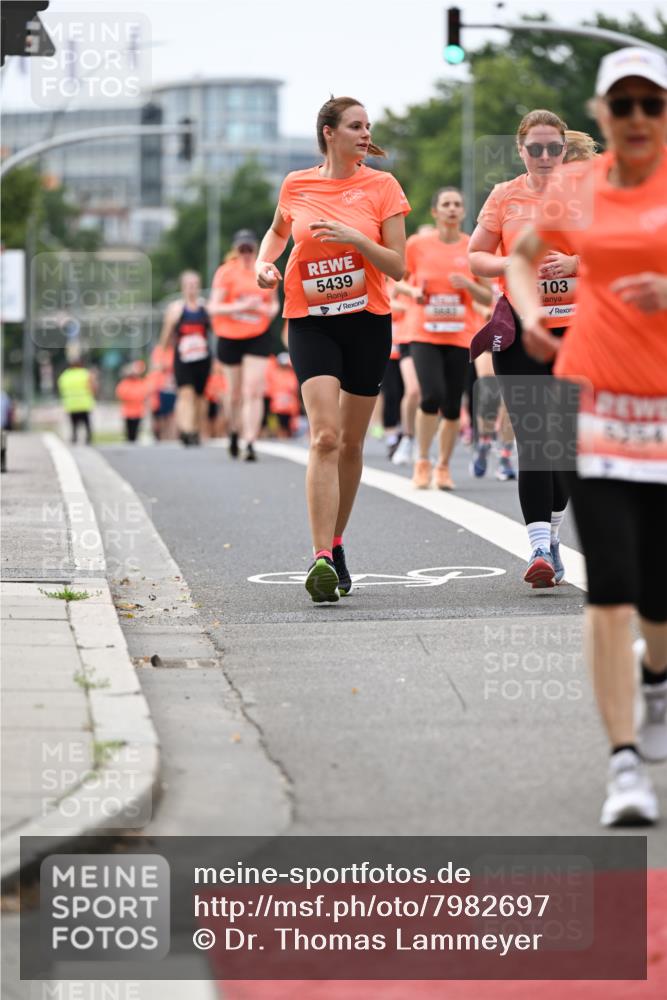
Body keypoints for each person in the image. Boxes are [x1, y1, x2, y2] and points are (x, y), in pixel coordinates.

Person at [506, 48, 667, 825]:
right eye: (623, 104)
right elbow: (522, 257)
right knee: (608, 589)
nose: (637, 117)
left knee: (657, 594)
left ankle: (658, 682)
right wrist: (531, 315)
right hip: (595, 400)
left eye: (652, 104)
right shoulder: (578, 188)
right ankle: (623, 762)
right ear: (601, 115)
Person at [255, 95, 410, 603]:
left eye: (368, 127)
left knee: (350, 444)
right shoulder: (297, 184)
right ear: (329, 133)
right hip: (311, 322)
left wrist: (355, 239)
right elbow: (277, 233)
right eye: (355, 126)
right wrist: (263, 263)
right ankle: (321, 556)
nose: (366, 134)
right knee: (323, 436)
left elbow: (398, 267)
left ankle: (338, 541)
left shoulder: (382, 186)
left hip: (367, 321)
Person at [469, 109, 578, 587]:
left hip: (579, 331)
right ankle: (537, 550)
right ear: (521, 150)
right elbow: (475, 255)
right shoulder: (504, 196)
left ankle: (552, 538)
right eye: (535, 148)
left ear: (564, 148)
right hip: (521, 330)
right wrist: (511, 261)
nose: (546, 156)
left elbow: (619, 251)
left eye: (554, 147)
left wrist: (574, 262)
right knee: (534, 437)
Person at [398, 187, 492, 490]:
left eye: (457, 205)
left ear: (463, 212)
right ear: (435, 212)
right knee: (431, 395)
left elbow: (487, 294)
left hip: (460, 334)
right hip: (423, 332)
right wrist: (413, 292)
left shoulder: (471, 248)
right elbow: (393, 279)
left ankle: (443, 466)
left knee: (452, 405)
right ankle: (422, 460)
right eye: (446, 204)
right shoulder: (417, 245)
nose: (452, 209)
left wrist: (467, 284)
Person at [208, 230, 280, 461]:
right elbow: (213, 307)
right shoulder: (226, 273)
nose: (247, 254)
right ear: (236, 251)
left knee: (254, 390)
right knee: (234, 394)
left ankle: (250, 441)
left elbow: (274, 305)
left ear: (256, 249)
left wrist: (265, 311)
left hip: (257, 335)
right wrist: (240, 307)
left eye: (250, 249)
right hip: (229, 336)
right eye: (242, 249)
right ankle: (233, 430)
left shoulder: (265, 269)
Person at [159, 270, 211, 446]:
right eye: (189, 285)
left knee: (199, 397)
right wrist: (161, 357)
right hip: (182, 357)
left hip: (202, 358)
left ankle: (195, 428)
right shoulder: (176, 308)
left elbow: (214, 331)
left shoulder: (205, 307)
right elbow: (166, 335)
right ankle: (187, 430)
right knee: (185, 394)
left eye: (196, 285)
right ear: (183, 287)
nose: (192, 289)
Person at [57, 348, 96, 445]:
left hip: (71, 404)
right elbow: (92, 386)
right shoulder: (85, 374)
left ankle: (74, 437)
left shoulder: (65, 375)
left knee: (74, 422)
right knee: (86, 422)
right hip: (84, 403)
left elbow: (61, 387)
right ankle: (88, 438)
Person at [266, 352, 300, 438]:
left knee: (288, 429)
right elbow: (270, 389)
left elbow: (294, 388)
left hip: (290, 408)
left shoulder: (292, 375)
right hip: (277, 407)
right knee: (277, 426)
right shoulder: (275, 373)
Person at [148, 341, 177, 441]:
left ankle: (170, 436)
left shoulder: (175, 349)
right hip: (160, 388)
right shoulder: (158, 350)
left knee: (171, 414)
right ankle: (161, 436)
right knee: (160, 416)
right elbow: (158, 366)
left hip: (171, 388)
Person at [115, 361, 148, 443]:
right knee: (129, 432)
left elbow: (143, 394)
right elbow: (120, 394)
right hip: (128, 412)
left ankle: (134, 441)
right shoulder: (124, 383)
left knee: (135, 431)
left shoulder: (140, 382)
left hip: (138, 412)